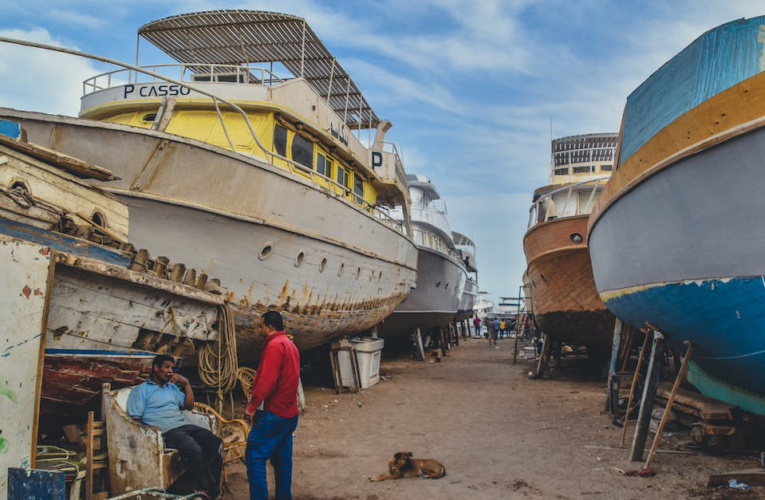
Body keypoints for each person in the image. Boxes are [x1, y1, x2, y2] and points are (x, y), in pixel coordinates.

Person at [127, 354, 222, 499]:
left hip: (184, 425)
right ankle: (203, 491)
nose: (170, 371)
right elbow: (136, 419)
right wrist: (153, 435)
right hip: (166, 431)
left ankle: (205, 489)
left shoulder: (171, 388)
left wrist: (187, 384)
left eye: (171, 367)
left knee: (216, 444)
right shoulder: (141, 390)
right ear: (156, 368)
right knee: (195, 449)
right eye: (167, 367)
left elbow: (188, 406)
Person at [245, 311, 301, 500]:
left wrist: (252, 407)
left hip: (273, 414)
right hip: (289, 414)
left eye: (261, 326)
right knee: (283, 461)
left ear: (269, 327)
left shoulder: (274, 346)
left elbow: (267, 382)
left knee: (255, 456)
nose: (260, 330)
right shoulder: (290, 345)